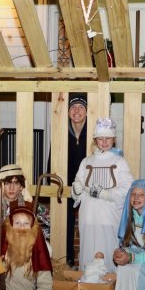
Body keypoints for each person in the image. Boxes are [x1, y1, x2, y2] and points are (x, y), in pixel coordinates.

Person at [70, 117, 134, 290]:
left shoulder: (119, 162)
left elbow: (127, 188)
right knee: (88, 252)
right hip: (89, 216)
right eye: (100, 138)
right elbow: (77, 188)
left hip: (110, 217)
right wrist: (77, 189)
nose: (104, 142)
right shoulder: (86, 161)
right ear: (95, 140)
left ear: (113, 140)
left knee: (110, 252)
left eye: (108, 139)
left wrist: (106, 194)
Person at [0, 164, 50, 245]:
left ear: (21, 186)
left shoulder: (31, 206)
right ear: (2, 186)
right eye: (7, 183)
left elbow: (43, 237)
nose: (11, 188)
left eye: (16, 183)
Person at [0, 206, 53, 290]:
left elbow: (46, 285)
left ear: (32, 228)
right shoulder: (1, 250)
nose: (22, 228)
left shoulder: (38, 254)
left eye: (26, 224)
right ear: (10, 226)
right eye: (17, 223)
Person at [66, 93, 88, 267]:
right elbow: (54, 158)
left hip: (88, 187)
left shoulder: (92, 134)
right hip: (67, 186)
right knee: (66, 223)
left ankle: (87, 262)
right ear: (68, 112)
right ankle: (67, 260)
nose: (77, 111)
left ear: (87, 112)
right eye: (73, 107)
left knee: (87, 222)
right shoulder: (62, 133)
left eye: (81, 107)